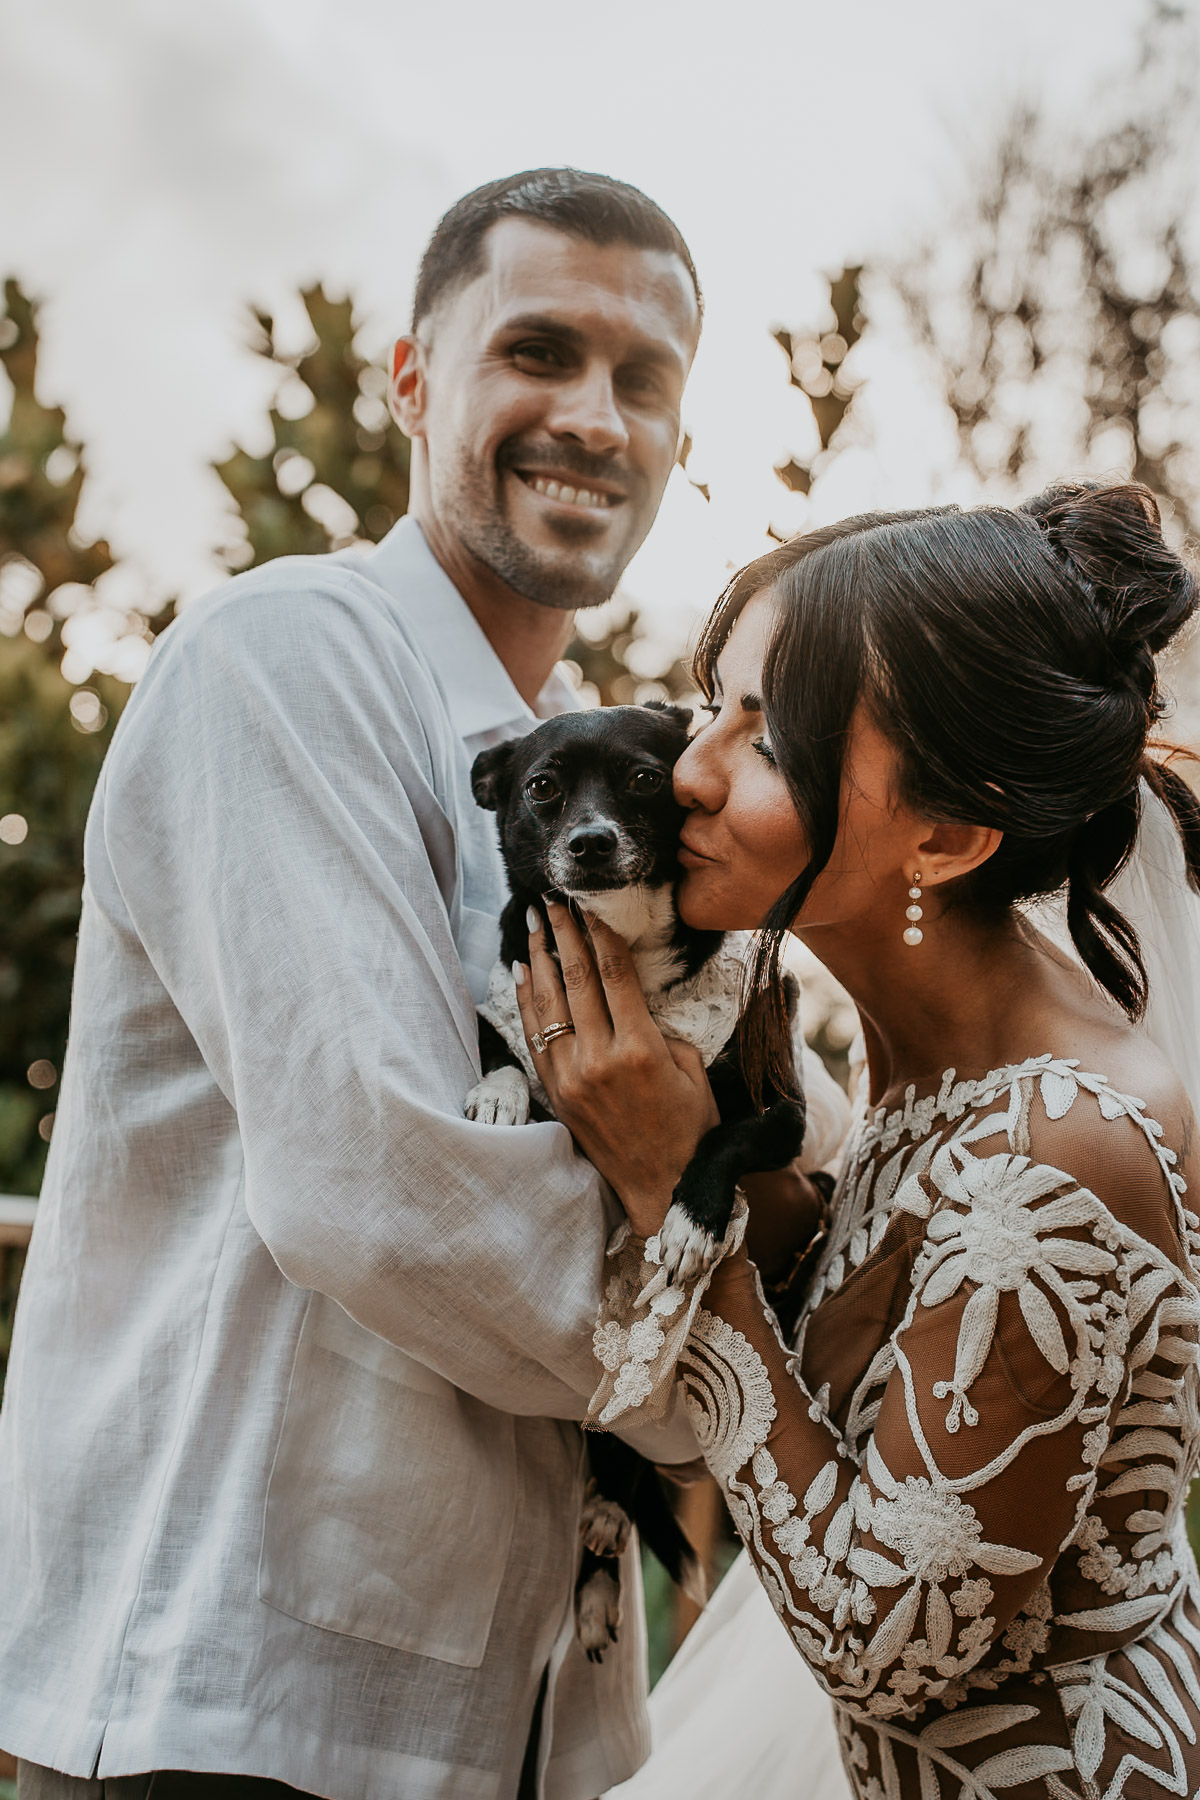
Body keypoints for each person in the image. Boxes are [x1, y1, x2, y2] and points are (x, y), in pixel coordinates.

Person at [0, 167, 737, 1800]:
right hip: (245, 1692)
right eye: (538, 352)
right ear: (413, 380)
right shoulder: (287, 659)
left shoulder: (622, 771)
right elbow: (384, 1187)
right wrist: (744, 1385)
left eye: (644, 380)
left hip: (536, 1711)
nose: (595, 419)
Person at [516, 482, 1200, 1800]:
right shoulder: (925, 1074)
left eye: (766, 744)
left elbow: (891, 1645)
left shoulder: (1062, 1144)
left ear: (942, 836)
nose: (691, 765)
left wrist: (685, 1204)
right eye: (712, 700)